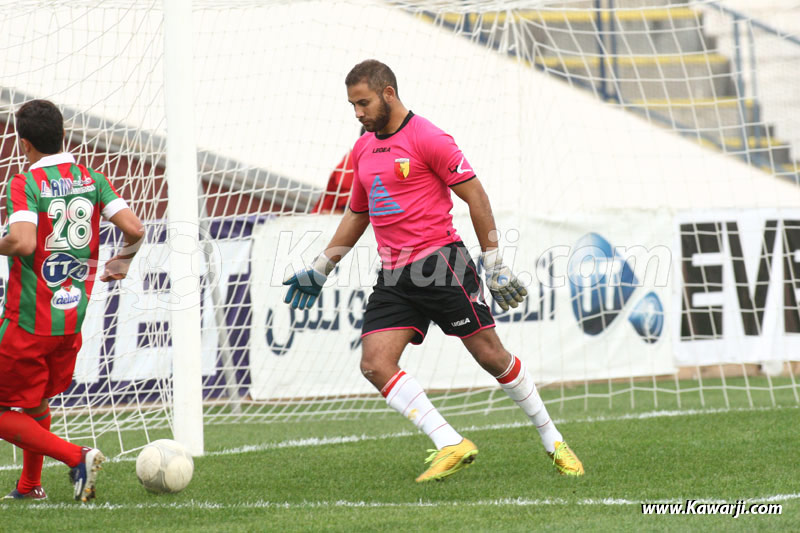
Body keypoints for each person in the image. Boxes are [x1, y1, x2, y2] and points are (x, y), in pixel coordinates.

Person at [284, 60, 584, 481]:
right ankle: (450, 442)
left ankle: (553, 441)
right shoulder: (362, 149)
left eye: (363, 103)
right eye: (352, 105)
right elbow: (357, 213)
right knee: (374, 363)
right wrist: (321, 267)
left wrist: (494, 261)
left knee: (490, 356)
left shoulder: (428, 137)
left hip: (441, 264)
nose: (357, 113)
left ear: (388, 93)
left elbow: (475, 195)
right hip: (394, 275)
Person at [0, 99, 145, 501]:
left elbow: (23, 241)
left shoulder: (25, 182)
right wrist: (122, 263)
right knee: (37, 401)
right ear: (64, 135)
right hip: (70, 320)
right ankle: (30, 485)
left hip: (28, 320)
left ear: (24, 144)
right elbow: (135, 228)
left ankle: (75, 456)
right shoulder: (92, 178)